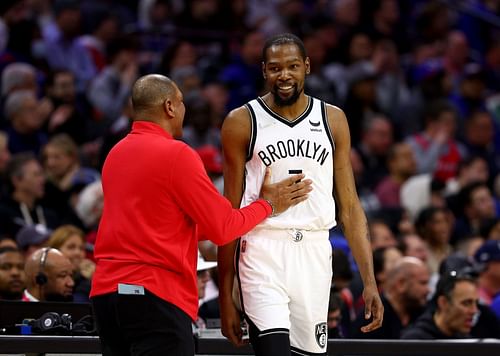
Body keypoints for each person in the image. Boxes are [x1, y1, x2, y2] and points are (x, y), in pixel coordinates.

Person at [90, 74, 312, 356]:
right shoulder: (176, 155)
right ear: (169, 107)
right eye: (181, 103)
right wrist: (268, 205)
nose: (184, 111)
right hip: (155, 295)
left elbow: (169, 225)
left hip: (106, 296)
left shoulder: (116, 153)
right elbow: (222, 228)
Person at [217, 33, 383, 356]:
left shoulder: (333, 119)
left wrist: (370, 280)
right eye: (275, 68)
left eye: (293, 66)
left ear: (306, 66)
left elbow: (349, 207)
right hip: (263, 249)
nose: (285, 75)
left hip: (315, 250)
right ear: (264, 71)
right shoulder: (241, 122)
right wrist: (226, 295)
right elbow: (229, 212)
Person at [401, 270, 479, 339]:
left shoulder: (466, 342)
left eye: (476, 303)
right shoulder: (415, 342)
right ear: (443, 303)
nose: (474, 311)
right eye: (466, 303)